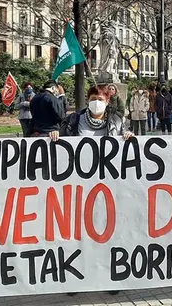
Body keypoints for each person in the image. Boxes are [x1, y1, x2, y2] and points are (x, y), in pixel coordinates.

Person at [57, 85, 132, 297]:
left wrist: (128, 137)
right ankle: (75, 276)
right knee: (77, 234)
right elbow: (61, 145)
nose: (95, 101)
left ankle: (110, 276)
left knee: (108, 234)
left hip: (107, 186)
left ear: (107, 101)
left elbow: (126, 151)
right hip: (78, 185)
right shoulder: (73, 121)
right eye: (92, 98)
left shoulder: (117, 122)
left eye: (99, 98)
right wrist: (55, 136)